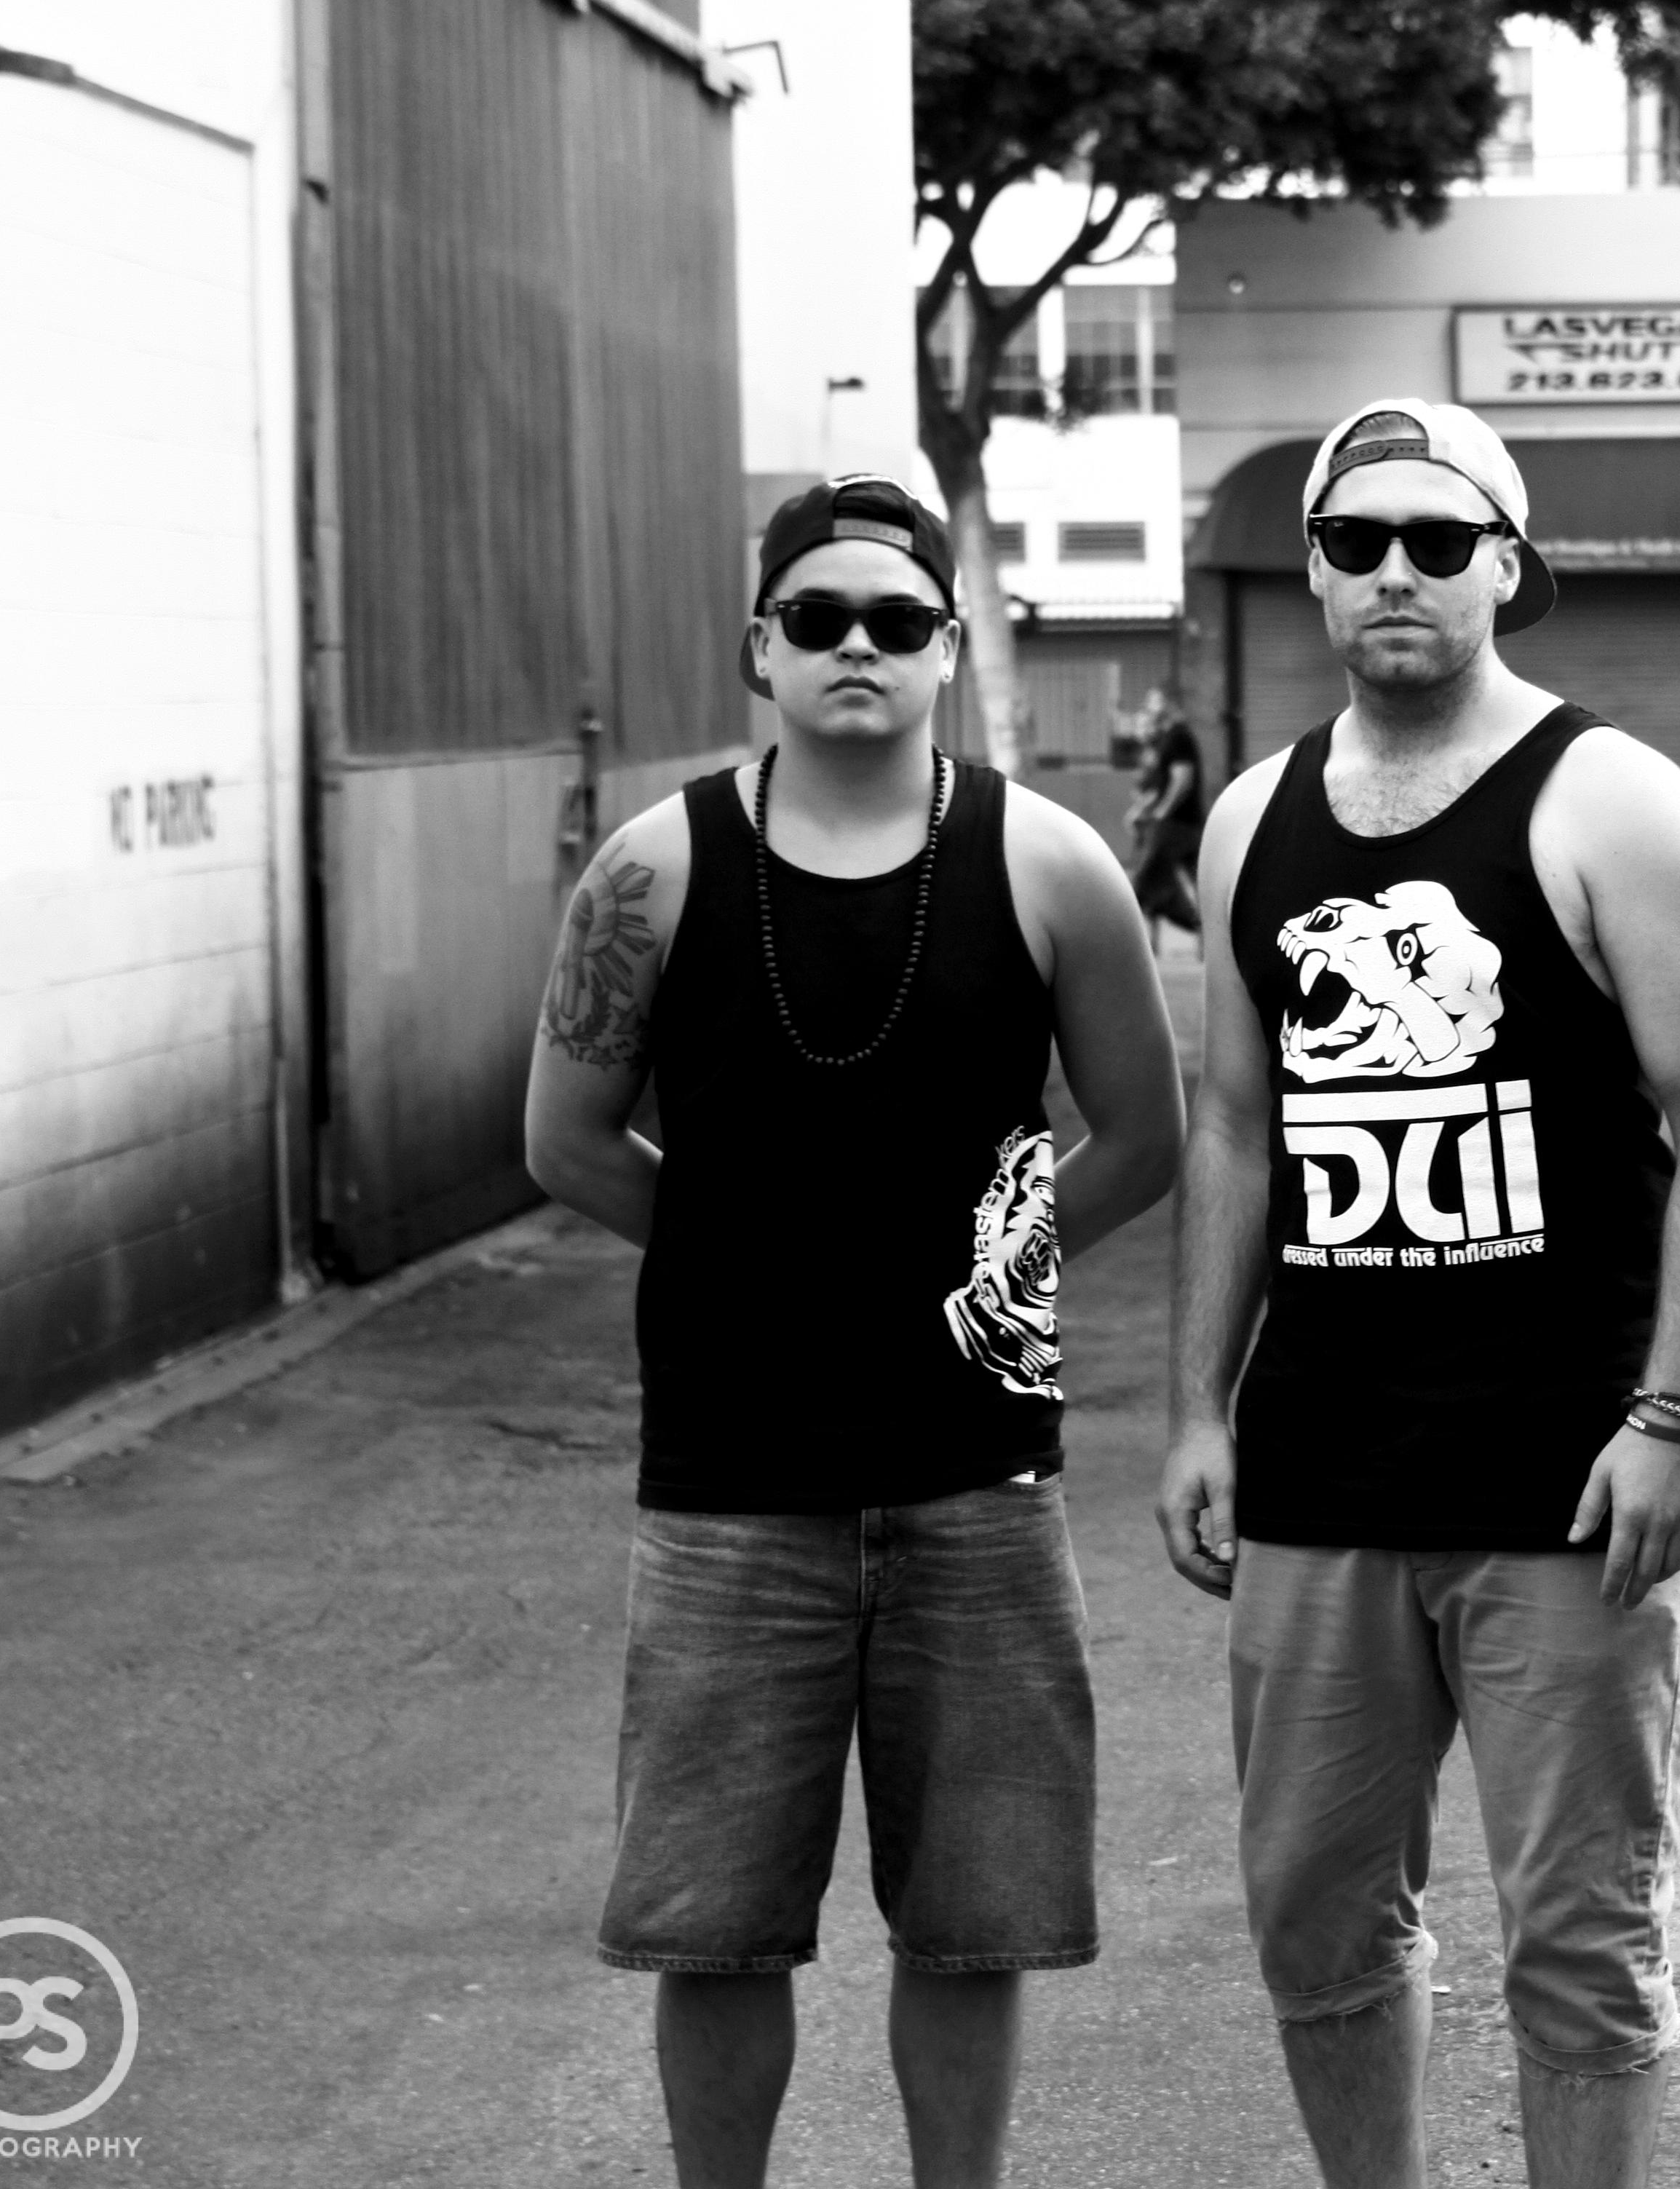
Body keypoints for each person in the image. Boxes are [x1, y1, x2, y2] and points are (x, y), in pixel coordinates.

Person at [521, 473, 1184, 2189]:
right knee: (711, 1925)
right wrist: (741, 1255)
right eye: (817, 617)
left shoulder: (1047, 863)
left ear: (949, 647)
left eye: (897, 619)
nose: (857, 646)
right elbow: (566, 1140)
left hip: (977, 1478)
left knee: (975, 1921)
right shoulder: (654, 868)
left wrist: (995, 1271)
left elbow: (1144, 1135)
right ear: (761, 647)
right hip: (731, 1491)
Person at [1154, 400, 1680, 2189]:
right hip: (1321, 1472)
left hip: (1564, 1479)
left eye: (1437, 539)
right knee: (1315, 1921)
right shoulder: (1251, 820)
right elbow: (1235, 1126)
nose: (1395, 572)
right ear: (1315, 571)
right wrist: (1194, 1408)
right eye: (1357, 542)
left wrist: (1677, 1413)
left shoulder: (1609, 800)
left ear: (1508, 564)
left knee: (1580, 1943)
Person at [1125, 682, 1205, 942]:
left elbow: (1183, 780)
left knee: (1143, 882)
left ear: (1169, 703)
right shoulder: (1165, 739)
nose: (1149, 707)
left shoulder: (1179, 736)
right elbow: (1159, 787)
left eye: (1154, 701)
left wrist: (1162, 812)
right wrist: (1140, 811)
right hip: (1181, 824)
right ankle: (1203, 929)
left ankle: (1192, 923)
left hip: (1176, 825)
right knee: (1199, 885)